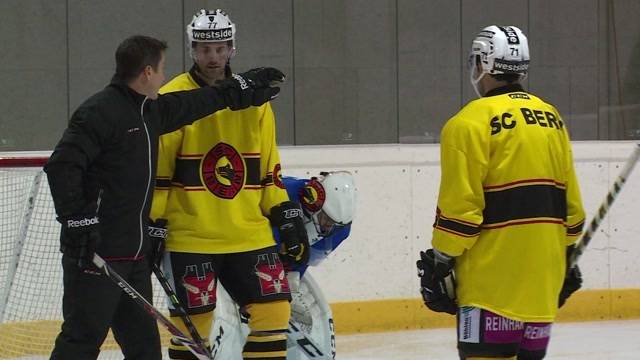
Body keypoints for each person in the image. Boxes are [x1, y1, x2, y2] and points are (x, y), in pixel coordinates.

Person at [44, 34, 284, 359]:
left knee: (144, 349)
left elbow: (195, 103)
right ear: (146, 72)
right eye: (161, 69)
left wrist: (237, 87)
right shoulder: (100, 112)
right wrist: (78, 220)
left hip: (134, 256)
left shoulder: (149, 111)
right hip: (97, 255)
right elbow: (62, 165)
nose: (163, 76)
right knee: (82, 340)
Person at [416, 25, 586, 360]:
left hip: (489, 288)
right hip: (542, 286)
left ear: (482, 64)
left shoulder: (467, 123)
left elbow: (460, 212)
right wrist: (567, 258)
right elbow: (573, 211)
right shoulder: (551, 118)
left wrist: (440, 260)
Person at [149, 9, 309, 360]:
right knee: (195, 325)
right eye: (205, 49)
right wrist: (153, 223)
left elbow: (268, 168)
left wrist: (284, 209)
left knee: (274, 313)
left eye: (220, 48)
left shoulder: (256, 100)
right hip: (191, 235)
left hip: (248, 233)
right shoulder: (174, 97)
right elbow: (159, 174)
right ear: (192, 50)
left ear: (232, 48)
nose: (213, 57)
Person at [208, 171, 357, 360]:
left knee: (282, 315)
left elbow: (304, 256)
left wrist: (291, 282)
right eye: (325, 220)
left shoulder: (339, 229)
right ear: (315, 202)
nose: (327, 228)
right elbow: (242, 226)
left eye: (332, 224)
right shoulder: (284, 191)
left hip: (264, 257)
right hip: (237, 246)